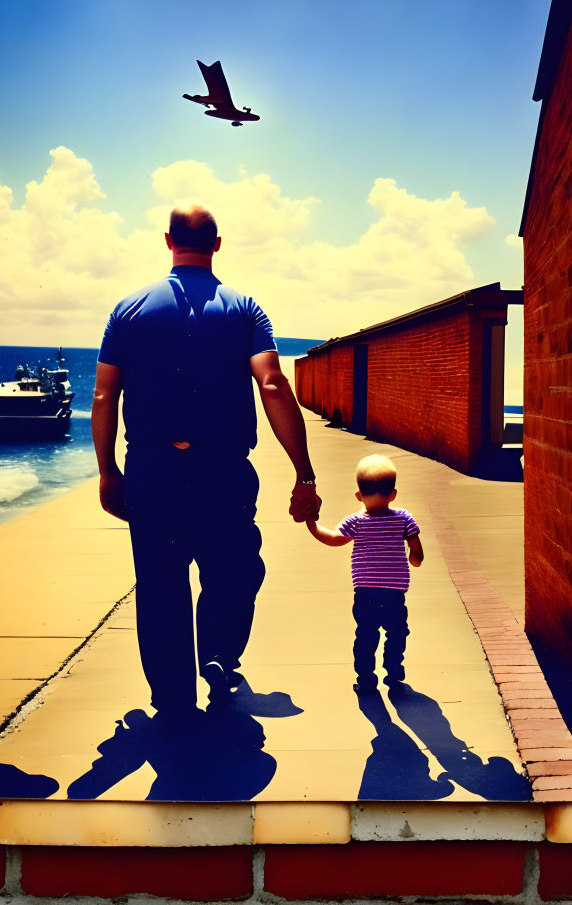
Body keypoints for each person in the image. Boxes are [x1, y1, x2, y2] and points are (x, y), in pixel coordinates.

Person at [91, 204, 321, 721]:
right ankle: (218, 655)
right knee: (234, 571)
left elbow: (104, 397)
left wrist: (107, 471)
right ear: (217, 244)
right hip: (223, 472)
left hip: (152, 472)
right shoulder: (244, 309)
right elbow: (273, 385)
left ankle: (172, 699)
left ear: (168, 240)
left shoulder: (127, 310)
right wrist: (303, 473)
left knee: (160, 584)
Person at [305, 454, 423, 692]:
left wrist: (311, 523)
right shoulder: (403, 518)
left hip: (366, 593)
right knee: (397, 632)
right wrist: (413, 557)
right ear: (393, 495)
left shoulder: (356, 522)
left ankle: (366, 679)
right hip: (394, 594)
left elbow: (334, 539)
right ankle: (393, 670)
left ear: (359, 495)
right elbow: (417, 553)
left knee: (366, 636)